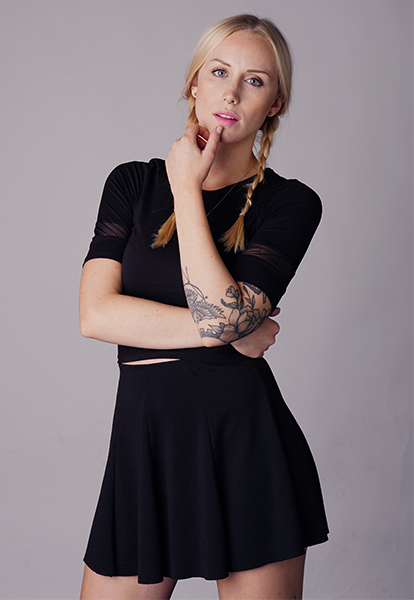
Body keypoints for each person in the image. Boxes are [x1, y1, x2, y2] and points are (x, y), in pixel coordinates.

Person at [79, 13, 329, 600]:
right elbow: (96, 315)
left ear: (275, 104)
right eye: (218, 72)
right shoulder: (131, 184)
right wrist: (232, 331)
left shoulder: (290, 203)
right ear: (194, 83)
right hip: (145, 441)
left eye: (255, 81)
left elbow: (219, 315)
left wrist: (187, 188)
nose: (232, 93)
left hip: (245, 441)